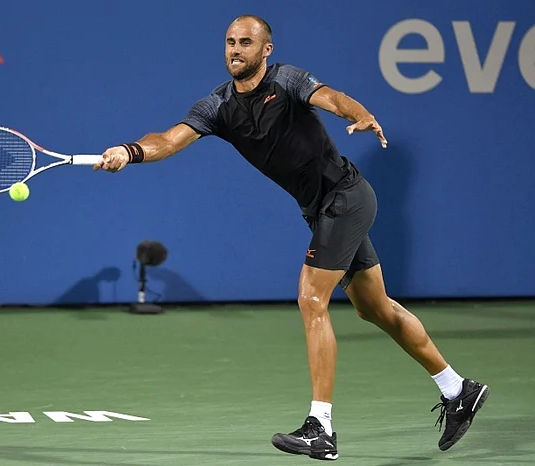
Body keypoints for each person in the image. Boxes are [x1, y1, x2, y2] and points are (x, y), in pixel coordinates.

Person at [93, 14, 489, 461]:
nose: (235, 50)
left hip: (345, 198)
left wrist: (360, 114)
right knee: (374, 307)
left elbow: (333, 98)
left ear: (266, 50)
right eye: (229, 42)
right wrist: (129, 151)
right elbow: (168, 139)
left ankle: (321, 427)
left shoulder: (289, 81)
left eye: (246, 42)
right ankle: (459, 389)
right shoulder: (218, 106)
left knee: (311, 299)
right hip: (322, 209)